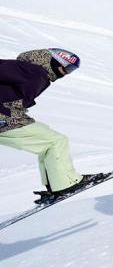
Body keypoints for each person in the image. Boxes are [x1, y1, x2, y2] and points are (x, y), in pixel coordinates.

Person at [0, 48, 103, 203]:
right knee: (55, 141)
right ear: (55, 61)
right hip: (6, 118)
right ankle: (65, 184)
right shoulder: (33, 70)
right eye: (68, 68)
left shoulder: (37, 73)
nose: (67, 73)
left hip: (9, 117)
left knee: (49, 140)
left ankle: (57, 184)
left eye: (72, 71)